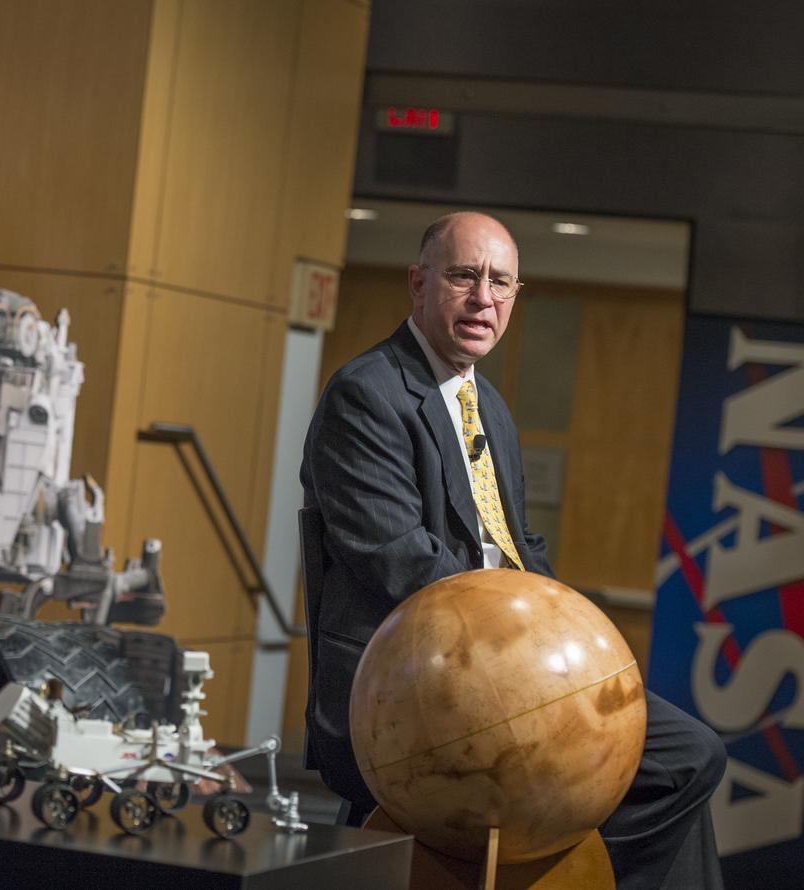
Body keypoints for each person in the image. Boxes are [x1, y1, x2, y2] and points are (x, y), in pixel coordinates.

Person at [300, 211, 726, 889]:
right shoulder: (368, 394)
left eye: (501, 282)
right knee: (683, 760)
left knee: (682, 753)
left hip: (506, 677)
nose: (484, 299)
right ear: (418, 283)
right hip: (418, 694)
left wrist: (580, 643)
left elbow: (517, 547)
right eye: (464, 276)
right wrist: (531, 646)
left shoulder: (487, 403)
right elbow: (399, 562)